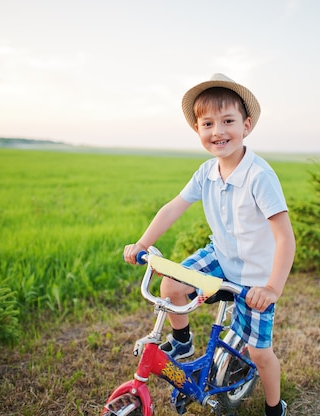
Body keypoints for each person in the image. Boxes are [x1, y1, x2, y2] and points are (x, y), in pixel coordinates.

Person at [123, 73, 296, 416]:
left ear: (246, 126)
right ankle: (184, 343)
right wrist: (142, 243)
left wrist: (272, 288)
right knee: (171, 283)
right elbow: (173, 207)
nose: (218, 131)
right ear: (198, 130)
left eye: (228, 121)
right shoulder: (206, 172)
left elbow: (284, 237)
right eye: (208, 123)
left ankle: (275, 407)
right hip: (220, 256)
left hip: (256, 276)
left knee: (259, 353)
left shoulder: (259, 176)